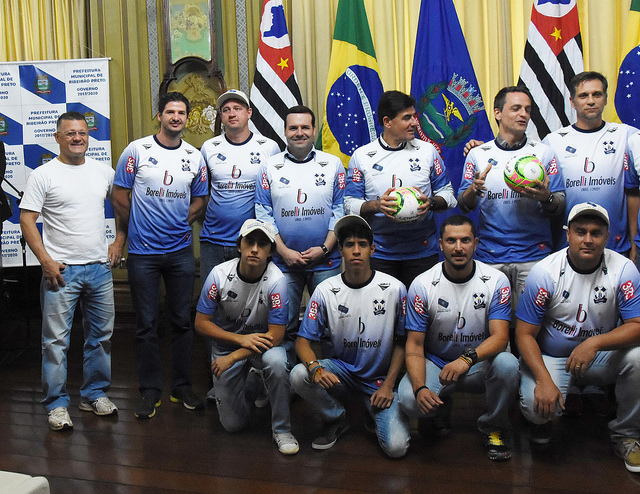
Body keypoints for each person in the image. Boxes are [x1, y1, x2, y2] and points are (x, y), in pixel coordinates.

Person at [516, 202, 640, 473]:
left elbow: (637, 325)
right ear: (568, 234)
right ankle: (546, 415)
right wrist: (544, 380)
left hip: (598, 357)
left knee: (638, 358)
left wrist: (593, 343)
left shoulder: (624, 269)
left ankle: (627, 434)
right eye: (580, 231)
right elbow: (524, 335)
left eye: (596, 233)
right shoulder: (544, 272)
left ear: (606, 237)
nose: (588, 239)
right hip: (553, 358)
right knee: (537, 412)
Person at [20, 112, 122, 430]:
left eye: (82, 132)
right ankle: (56, 405)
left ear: (88, 136)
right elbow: (26, 219)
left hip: (99, 269)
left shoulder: (104, 172)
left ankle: (93, 394)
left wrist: (120, 239)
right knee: (55, 343)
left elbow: (122, 206)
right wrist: (46, 261)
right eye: (70, 133)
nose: (77, 138)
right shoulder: (43, 175)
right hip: (61, 271)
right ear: (58, 137)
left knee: (101, 338)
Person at [112, 92, 208, 419]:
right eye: (170, 112)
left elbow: (201, 198)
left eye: (181, 112)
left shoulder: (195, 156)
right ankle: (150, 390)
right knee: (146, 323)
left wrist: (187, 219)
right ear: (159, 115)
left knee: (183, 321)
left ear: (186, 117)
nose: (176, 117)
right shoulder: (137, 150)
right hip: (142, 253)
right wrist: (135, 226)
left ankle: (181, 388)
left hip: (181, 252)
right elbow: (119, 195)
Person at [398, 215, 518, 461]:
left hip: (477, 363)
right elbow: (414, 344)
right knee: (411, 401)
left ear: (476, 243)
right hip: (437, 363)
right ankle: (437, 411)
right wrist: (420, 387)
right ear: (440, 245)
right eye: (451, 241)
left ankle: (494, 427)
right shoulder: (422, 285)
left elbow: (500, 337)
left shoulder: (496, 281)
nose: (458, 247)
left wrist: (467, 358)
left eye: (465, 240)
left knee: (508, 364)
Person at [290, 215, 410, 458]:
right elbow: (303, 342)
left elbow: (402, 342)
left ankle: (372, 411)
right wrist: (315, 368)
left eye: (362, 245)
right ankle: (338, 416)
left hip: (380, 379)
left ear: (372, 249)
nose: (356, 251)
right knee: (298, 374)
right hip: (342, 372)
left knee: (396, 449)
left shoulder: (395, 288)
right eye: (349, 245)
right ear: (341, 251)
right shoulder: (326, 291)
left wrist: (388, 385)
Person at [458, 86, 565, 316]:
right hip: (490, 256)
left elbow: (560, 204)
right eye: (516, 108)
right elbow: (463, 205)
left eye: (527, 109)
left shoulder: (544, 153)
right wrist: (473, 190)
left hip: (534, 256)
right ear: (497, 113)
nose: (523, 114)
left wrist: (546, 197)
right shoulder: (478, 154)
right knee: (493, 325)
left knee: (531, 326)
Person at [194, 218, 297, 455]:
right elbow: (201, 323)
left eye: (262, 244)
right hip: (228, 347)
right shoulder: (218, 275)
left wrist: (236, 355)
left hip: (262, 346)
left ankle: (282, 430)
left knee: (277, 362)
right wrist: (239, 342)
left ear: (270, 251)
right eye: (249, 242)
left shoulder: (277, 281)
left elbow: (277, 336)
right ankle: (254, 380)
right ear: (239, 245)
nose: (255, 249)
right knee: (233, 425)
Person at [255, 105, 345, 351]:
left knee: (330, 327)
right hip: (285, 264)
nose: (299, 132)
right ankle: (291, 384)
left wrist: (325, 249)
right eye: (293, 128)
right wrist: (283, 251)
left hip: (326, 262)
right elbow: (263, 213)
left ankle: (325, 381)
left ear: (314, 131)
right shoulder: (269, 167)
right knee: (284, 327)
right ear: (284, 131)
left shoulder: (333, 164)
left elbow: (340, 209)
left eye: (305, 127)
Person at [345, 90, 457, 288]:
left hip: (422, 251)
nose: (415, 122)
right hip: (379, 253)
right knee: (383, 315)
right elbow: (349, 203)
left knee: (420, 314)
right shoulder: (362, 156)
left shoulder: (427, 151)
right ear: (387, 122)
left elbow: (448, 195)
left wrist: (430, 203)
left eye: (414, 116)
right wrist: (377, 206)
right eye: (407, 118)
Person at [542, 72, 638, 255]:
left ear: (606, 99)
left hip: (617, 247)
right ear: (572, 101)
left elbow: (634, 192)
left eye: (597, 94)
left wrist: (635, 245)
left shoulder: (627, 136)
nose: (591, 100)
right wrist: (478, 147)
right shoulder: (552, 142)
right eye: (583, 95)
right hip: (568, 249)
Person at [199, 89, 280, 280]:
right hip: (213, 241)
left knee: (252, 302)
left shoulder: (269, 147)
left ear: (249, 113)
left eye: (237, 108)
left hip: (254, 240)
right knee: (212, 301)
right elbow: (201, 194)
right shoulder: (209, 148)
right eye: (226, 110)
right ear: (221, 116)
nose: (232, 114)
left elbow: (276, 196)